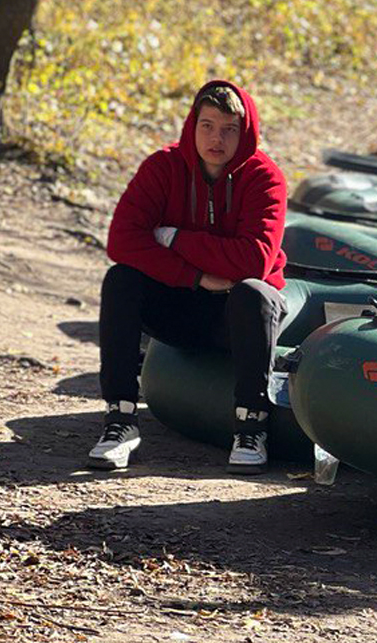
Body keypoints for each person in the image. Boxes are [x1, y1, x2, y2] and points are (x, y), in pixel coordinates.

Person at [87, 80, 288, 473]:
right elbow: (122, 241)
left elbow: (254, 261)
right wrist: (195, 276)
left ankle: (251, 428)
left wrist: (173, 236)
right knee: (121, 279)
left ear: (245, 132)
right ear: (192, 125)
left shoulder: (265, 178)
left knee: (254, 292)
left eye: (229, 129)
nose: (217, 139)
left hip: (237, 314)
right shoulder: (162, 168)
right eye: (208, 125)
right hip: (180, 302)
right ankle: (120, 421)